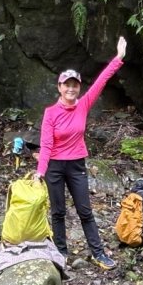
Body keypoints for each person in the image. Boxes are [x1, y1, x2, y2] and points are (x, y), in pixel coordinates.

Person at [36, 36, 127, 270]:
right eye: (67, 85)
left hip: (76, 164)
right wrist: (40, 172)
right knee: (58, 212)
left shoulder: (83, 104)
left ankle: (98, 253)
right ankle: (61, 254)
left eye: (74, 85)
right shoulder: (50, 113)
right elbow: (45, 145)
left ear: (78, 87)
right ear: (59, 87)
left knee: (85, 211)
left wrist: (118, 58)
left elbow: (101, 81)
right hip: (55, 166)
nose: (71, 88)